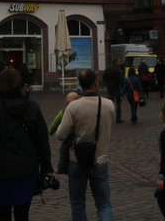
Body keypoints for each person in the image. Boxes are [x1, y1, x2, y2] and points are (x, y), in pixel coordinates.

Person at [0, 67, 53, 221]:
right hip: (27, 168)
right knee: (22, 213)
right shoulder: (33, 107)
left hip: (4, 171)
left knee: (2, 214)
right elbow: (43, 141)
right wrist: (46, 169)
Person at [55, 69, 115, 221]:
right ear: (96, 83)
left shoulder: (73, 107)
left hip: (77, 160)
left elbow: (60, 135)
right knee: (104, 204)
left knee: (77, 204)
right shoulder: (109, 105)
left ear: (80, 86)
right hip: (101, 158)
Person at [50, 91, 80, 175]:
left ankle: (62, 168)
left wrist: (51, 131)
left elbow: (54, 124)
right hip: (79, 137)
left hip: (67, 138)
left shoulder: (62, 112)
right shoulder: (81, 112)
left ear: (65, 103)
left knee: (63, 152)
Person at [103, 59, 124, 123]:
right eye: (119, 61)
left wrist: (107, 83)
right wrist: (122, 88)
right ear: (116, 62)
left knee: (110, 103)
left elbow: (104, 77)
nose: (120, 62)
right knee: (118, 103)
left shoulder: (108, 68)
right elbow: (121, 80)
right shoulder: (118, 70)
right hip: (116, 88)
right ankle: (118, 118)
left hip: (109, 87)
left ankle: (109, 118)